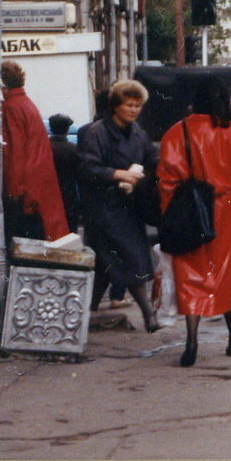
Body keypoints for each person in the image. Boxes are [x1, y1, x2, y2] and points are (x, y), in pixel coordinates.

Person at [157, 76, 231, 367]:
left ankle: (191, 341)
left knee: (191, 272)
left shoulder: (177, 132)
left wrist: (170, 211)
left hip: (188, 209)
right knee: (225, 273)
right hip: (223, 208)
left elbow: (166, 178)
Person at [77, 79, 160, 331]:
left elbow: (150, 157)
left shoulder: (137, 132)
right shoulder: (97, 132)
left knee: (105, 265)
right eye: (129, 105)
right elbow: (86, 167)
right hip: (103, 208)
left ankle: (83, 316)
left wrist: (149, 171)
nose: (134, 110)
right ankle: (148, 315)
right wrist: (117, 174)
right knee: (130, 259)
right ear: (116, 106)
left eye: (137, 105)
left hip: (129, 205)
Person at [0, 60, 70, 244]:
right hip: (39, 180)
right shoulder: (25, 102)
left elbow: (14, 149)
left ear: (3, 86)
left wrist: (12, 190)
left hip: (25, 185)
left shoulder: (10, 106)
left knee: (22, 243)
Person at [48, 114, 81, 234]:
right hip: (68, 193)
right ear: (67, 129)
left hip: (48, 193)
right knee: (70, 229)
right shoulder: (74, 149)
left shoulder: (44, 147)